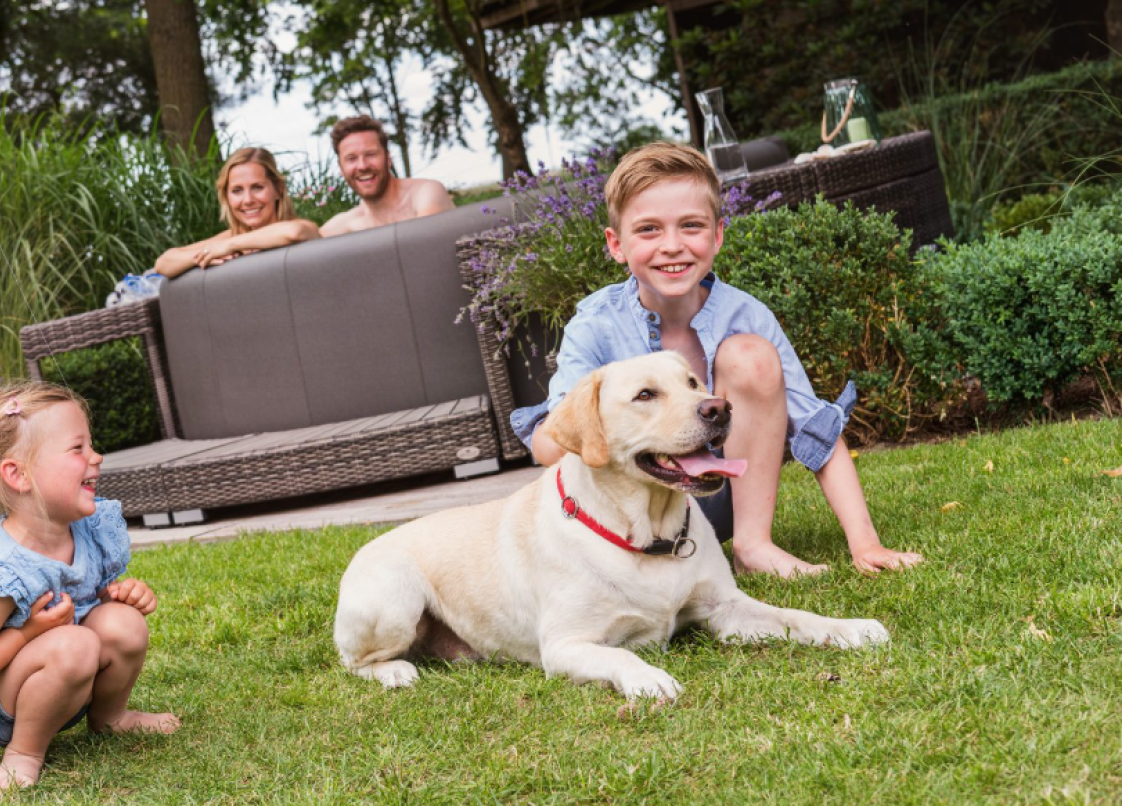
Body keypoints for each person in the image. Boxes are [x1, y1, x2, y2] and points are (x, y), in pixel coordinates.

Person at [516, 141, 924, 580]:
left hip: (718, 489)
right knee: (569, 443)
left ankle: (753, 546)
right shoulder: (596, 324)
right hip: (628, 511)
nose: (672, 246)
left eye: (691, 226)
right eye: (649, 230)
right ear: (617, 245)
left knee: (751, 356)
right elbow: (551, 446)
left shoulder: (746, 315)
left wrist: (865, 542)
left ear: (717, 236)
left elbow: (816, 430)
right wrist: (610, 411)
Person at [0, 383, 179, 794]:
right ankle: (24, 752)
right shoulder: (4, 572)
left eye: (91, 445)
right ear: (19, 475)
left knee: (124, 623)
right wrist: (27, 632)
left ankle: (110, 717)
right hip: (8, 706)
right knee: (75, 645)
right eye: (78, 448)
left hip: (71, 677)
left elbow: (91, 603)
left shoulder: (85, 531)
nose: (96, 457)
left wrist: (118, 597)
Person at [152, 146, 321, 278]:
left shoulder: (302, 227)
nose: (247, 200)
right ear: (226, 196)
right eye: (237, 191)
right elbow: (164, 263)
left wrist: (229, 246)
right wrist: (206, 255)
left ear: (278, 189)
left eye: (257, 187)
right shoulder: (231, 236)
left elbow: (294, 232)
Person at [319, 115, 454, 236]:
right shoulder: (347, 223)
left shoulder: (425, 192)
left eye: (370, 154)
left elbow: (425, 238)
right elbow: (313, 239)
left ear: (388, 159)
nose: (362, 166)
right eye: (351, 159)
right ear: (341, 168)